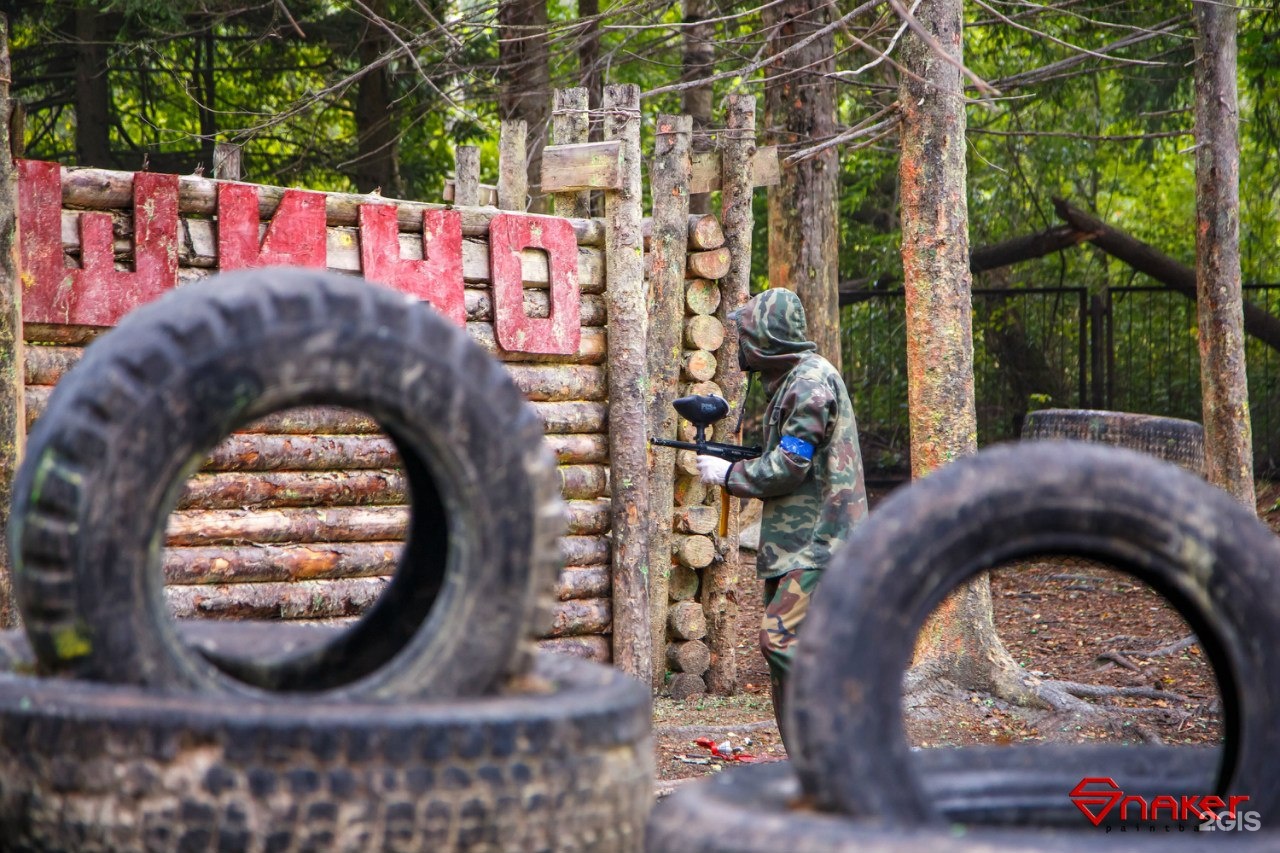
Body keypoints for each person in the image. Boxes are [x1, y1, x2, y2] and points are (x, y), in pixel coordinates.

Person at [696, 287, 867, 749]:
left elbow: (790, 467)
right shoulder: (793, 381)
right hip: (796, 543)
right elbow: (793, 454)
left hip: (821, 541)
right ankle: (810, 767)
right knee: (784, 667)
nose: (740, 345)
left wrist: (730, 473)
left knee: (781, 642)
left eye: (746, 335)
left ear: (765, 340)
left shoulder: (810, 384)